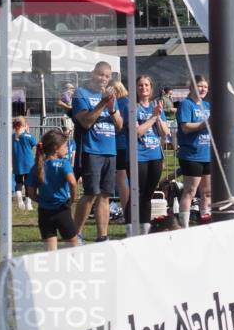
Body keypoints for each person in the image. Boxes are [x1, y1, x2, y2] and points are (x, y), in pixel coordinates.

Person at [72, 61, 123, 242]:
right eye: (100, 74)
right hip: (91, 150)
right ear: (93, 73)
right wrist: (102, 102)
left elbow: (119, 126)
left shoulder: (110, 96)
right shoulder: (80, 94)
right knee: (91, 193)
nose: (103, 79)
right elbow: (85, 121)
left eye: (107, 76)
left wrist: (112, 108)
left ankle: (103, 236)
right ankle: (75, 233)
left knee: (105, 195)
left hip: (110, 150)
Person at [130, 75, 169, 230]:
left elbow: (165, 132)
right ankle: (132, 226)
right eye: (140, 85)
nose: (143, 88)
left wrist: (158, 117)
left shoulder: (156, 105)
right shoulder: (134, 107)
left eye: (146, 85)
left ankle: (145, 229)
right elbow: (137, 132)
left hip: (155, 156)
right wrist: (153, 117)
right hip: (140, 155)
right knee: (137, 194)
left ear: (151, 88)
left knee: (148, 195)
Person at [29, 129, 79, 251]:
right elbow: (72, 182)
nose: (67, 149)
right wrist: (72, 199)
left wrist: (40, 200)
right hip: (62, 209)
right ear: (56, 148)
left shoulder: (37, 166)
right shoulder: (64, 164)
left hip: (44, 212)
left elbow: (30, 192)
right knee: (73, 247)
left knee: (51, 252)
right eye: (65, 146)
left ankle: (53, 269)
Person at [176, 74, 211, 228]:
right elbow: (185, 127)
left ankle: (205, 221)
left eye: (205, 86)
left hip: (207, 153)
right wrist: (204, 124)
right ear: (191, 88)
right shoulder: (186, 104)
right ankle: (184, 225)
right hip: (191, 154)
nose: (203, 89)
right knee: (190, 190)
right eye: (200, 86)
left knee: (207, 192)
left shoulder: (208, 106)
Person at [113, 80, 132, 221]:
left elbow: (119, 124)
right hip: (127, 145)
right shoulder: (128, 101)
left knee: (122, 180)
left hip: (121, 145)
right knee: (127, 180)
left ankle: (127, 213)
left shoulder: (120, 102)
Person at [11, 116, 37, 210]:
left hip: (17, 163)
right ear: (25, 125)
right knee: (28, 184)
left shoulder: (12, 137)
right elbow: (35, 146)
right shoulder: (29, 136)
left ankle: (19, 199)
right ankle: (28, 204)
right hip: (29, 164)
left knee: (18, 183)